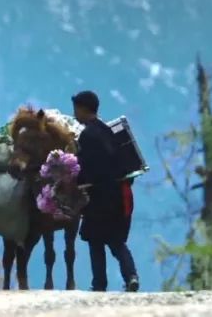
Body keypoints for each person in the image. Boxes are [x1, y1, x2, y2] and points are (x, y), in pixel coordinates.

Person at [71, 90, 139, 292]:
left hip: (98, 197)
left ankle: (99, 284)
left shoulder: (86, 136)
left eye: (76, 109)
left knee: (95, 241)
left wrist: (75, 183)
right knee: (116, 241)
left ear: (83, 109)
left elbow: (86, 168)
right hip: (118, 195)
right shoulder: (108, 130)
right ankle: (131, 276)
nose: (75, 114)